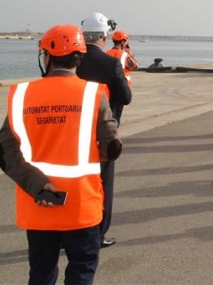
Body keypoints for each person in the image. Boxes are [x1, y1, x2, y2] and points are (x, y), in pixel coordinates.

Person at [0, 24, 122, 285]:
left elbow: (4, 153)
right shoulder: (93, 94)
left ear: (48, 56)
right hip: (82, 206)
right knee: (81, 270)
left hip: (39, 204)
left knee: (41, 273)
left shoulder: (22, 96)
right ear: (79, 57)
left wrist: (39, 185)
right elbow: (111, 147)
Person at [77, 12, 131, 249]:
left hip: (72, 132)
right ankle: (98, 234)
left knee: (74, 182)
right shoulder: (110, 63)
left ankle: (68, 230)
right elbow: (125, 97)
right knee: (102, 184)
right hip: (102, 134)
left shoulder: (70, 60)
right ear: (103, 37)